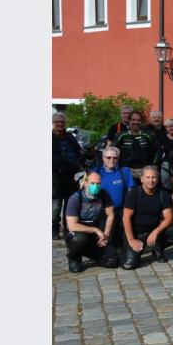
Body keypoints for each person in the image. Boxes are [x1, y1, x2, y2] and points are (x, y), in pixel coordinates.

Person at [122, 166, 173, 269]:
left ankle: (157, 249)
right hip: (136, 233)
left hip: (154, 231)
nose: (151, 180)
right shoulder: (134, 193)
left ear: (158, 179)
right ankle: (136, 249)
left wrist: (155, 232)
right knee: (130, 265)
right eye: (148, 177)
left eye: (154, 177)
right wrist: (131, 239)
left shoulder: (162, 194)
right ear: (142, 179)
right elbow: (126, 218)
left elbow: (169, 218)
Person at [63, 172, 118, 272]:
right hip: (77, 232)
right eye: (92, 183)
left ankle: (89, 252)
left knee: (112, 261)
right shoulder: (75, 198)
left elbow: (110, 215)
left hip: (94, 232)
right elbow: (72, 226)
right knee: (79, 240)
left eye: (98, 183)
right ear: (85, 183)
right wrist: (95, 230)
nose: (96, 186)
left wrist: (106, 234)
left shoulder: (104, 194)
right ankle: (74, 257)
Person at [91, 146, 136, 249]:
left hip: (121, 211)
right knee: (107, 242)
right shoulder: (95, 172)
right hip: (102, 213)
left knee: (122, 240)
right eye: (108, 157)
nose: (112, 160)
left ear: (118, 158)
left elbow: (132, 191)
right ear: (103, 158)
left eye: (115, 158)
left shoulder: (124, 171)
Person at [53, 112, 83, 240]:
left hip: (70, 173)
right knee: (57, 202)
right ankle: (54, 228)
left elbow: (78, 151)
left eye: (62, 122)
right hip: (55, 173)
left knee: (69, 201)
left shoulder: (70, 136)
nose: (60, 124)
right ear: (53, 123)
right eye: (57, 122)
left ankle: (67, 227)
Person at [115, 111, 161, 181]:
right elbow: (113, 151)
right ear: (129, 121)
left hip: (144, 171)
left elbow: (159, 150)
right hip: (126, 171)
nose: (136, 122)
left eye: (138, 120)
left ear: (141, 122)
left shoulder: (148, 135)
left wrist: (153, 165)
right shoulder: (121, 135)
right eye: (133, 120)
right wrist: (118, 166)